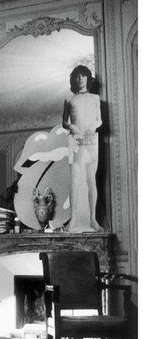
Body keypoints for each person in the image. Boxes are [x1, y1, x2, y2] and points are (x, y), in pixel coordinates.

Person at [62, 65, 103, 233]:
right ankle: (73, 220)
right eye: (77, 76)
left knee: (91, 179)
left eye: (83, 75)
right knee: (74, 180)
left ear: (87, 78)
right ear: (74, 79)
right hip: (74, 139)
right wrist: (72, 128)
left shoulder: (95, 98)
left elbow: (99, 120)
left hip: (92, 139)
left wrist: (93, 126)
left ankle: (93, 219)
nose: (80, 78)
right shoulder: (69, 99)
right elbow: (65, 122)